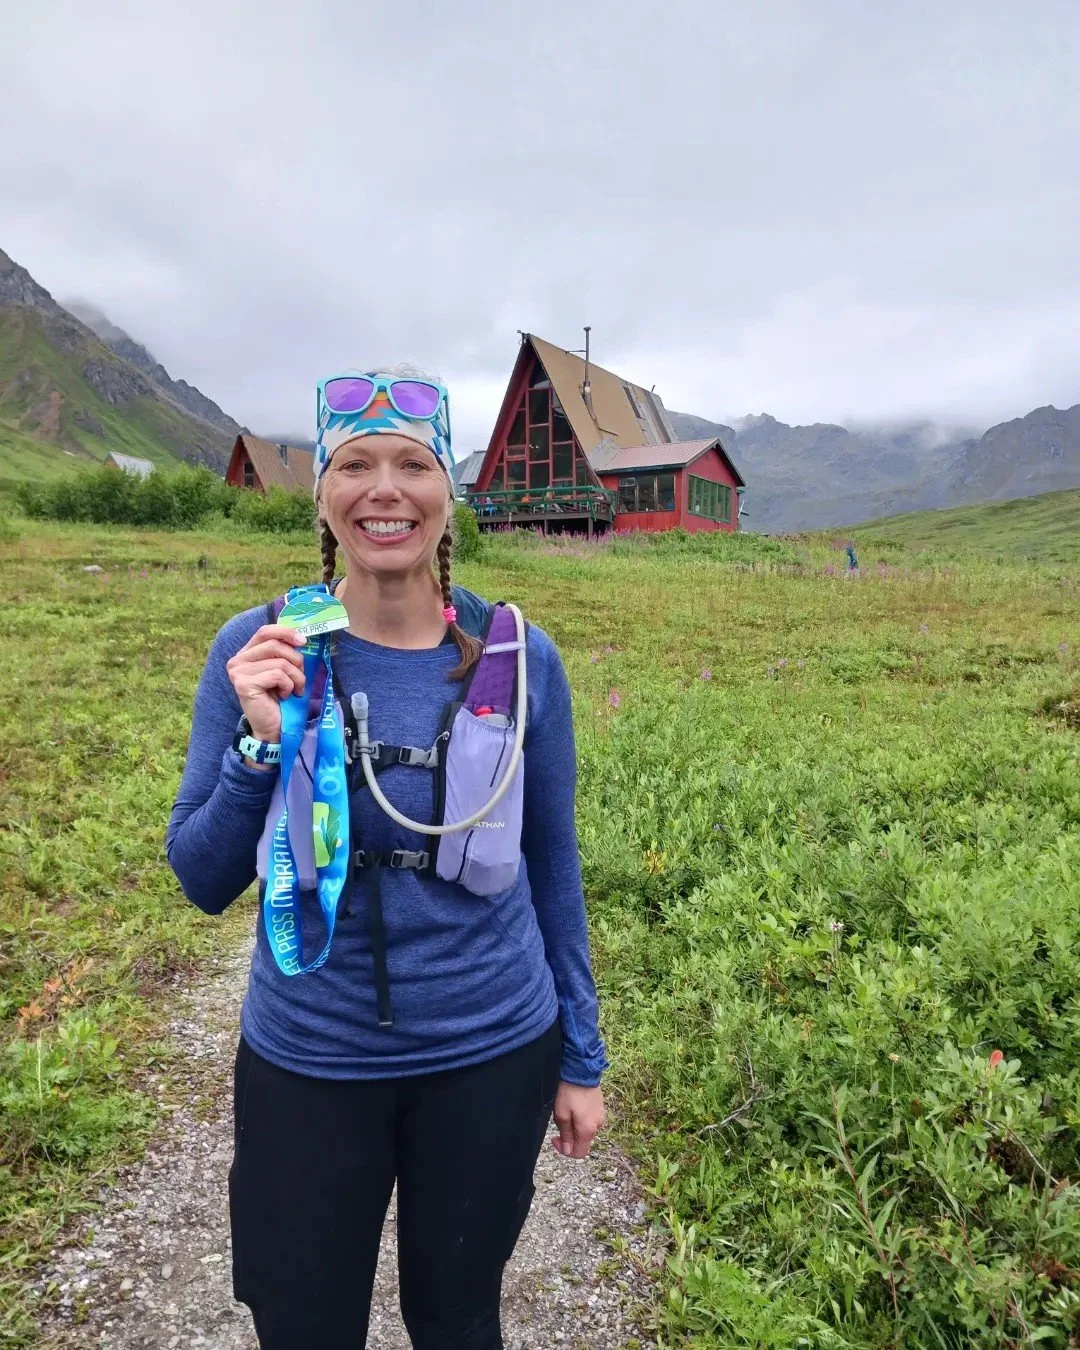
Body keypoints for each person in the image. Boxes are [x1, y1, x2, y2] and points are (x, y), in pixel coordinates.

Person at [166, 368, 608, 1349]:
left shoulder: (520, 657)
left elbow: (552, 867)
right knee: (303, 1324)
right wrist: (260, 746)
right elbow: (201, 878)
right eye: (355, 464)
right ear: (323, 493)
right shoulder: (259, 647)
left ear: (449, 494)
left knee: (457, 1318)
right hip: (309, 1061)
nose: (385, 490)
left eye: (413, 464)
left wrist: (581, 1055)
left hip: (492, 1050)